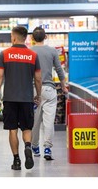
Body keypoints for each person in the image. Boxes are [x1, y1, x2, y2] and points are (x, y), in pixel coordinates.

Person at [0, 26, 42, 170]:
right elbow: (38, 78)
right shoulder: (33, 55)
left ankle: (17, 161)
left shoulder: (5, 54)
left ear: (14, 38)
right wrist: (38, 95)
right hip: (27, 98)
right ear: (26, 38)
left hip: (10, 98)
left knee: (12, 129)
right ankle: (28, 147)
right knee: (27, 128)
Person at [31, 27, 68, 160]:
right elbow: (59, 69)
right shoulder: (52, 51)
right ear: (45, 37)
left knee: (34, 121)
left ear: (33, 38)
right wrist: (63, 86)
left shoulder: (29, 51)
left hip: (33, 90)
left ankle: (35, 147)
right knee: (49, 122)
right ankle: (47, 148)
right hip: (49, 90)